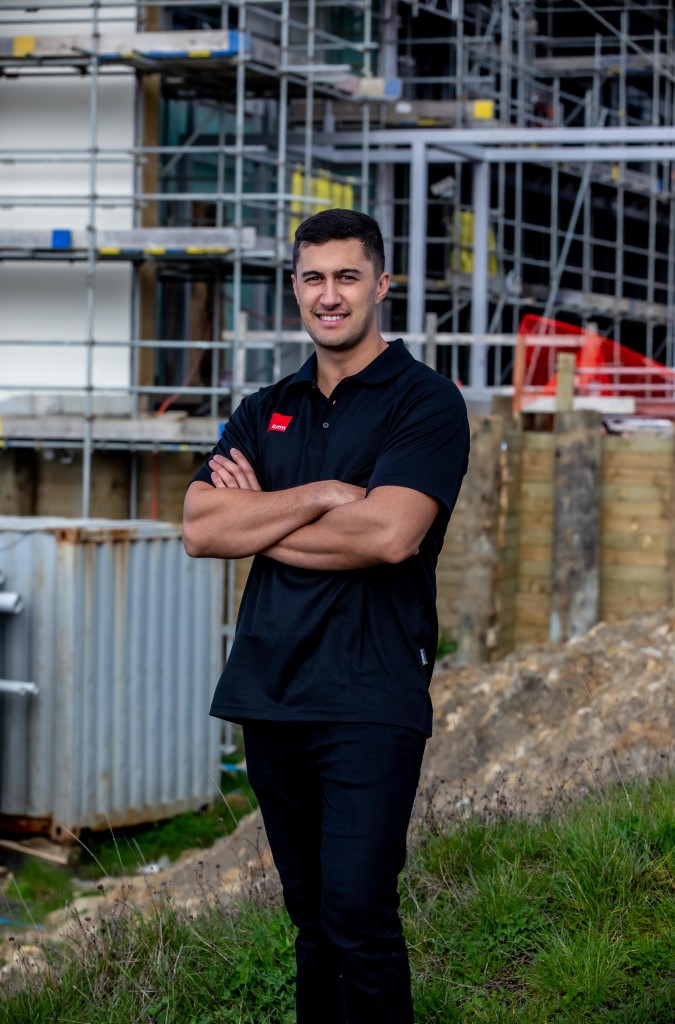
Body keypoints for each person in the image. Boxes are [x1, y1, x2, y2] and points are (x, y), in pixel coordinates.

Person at [183, 208, 469, 1024]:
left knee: (357, 915)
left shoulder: (426, 402)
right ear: (295, 287)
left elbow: (386, 536)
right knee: (310, 922)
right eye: (313, 278)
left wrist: (260, 521)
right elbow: (201, 529)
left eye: (347, 276)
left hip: (370, 695)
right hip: (271, 692)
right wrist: (320, 496)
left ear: (381, 284)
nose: (329, 295)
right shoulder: (264, 406)